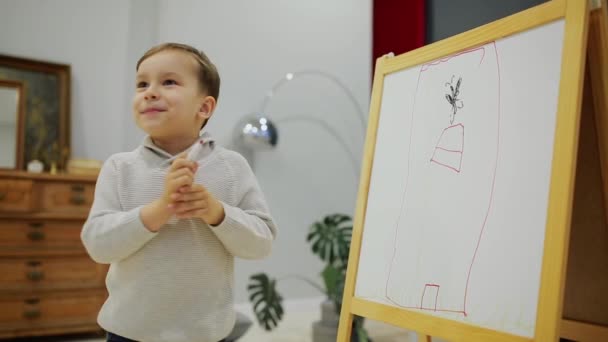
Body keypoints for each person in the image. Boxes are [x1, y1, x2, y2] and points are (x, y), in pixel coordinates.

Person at [81, 42, 277, 342]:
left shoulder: (232, 167)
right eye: (142, 83)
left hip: (206, 334)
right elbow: (98, 245)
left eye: (168, 81)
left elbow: (261, 244)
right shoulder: (120, 168)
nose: (150, 91)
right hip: (129, 333)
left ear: (205, 107)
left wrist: (217, 212)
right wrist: (159, 210)